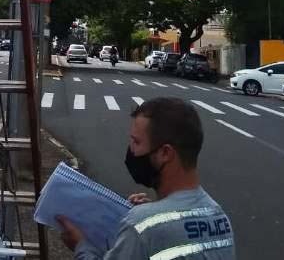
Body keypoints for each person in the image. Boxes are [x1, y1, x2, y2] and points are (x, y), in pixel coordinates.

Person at [58, 98, 235, 259]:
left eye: (136, 142)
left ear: (165, 153)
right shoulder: (219, 217)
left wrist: (81, 246)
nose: (132, 150)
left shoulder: (143, 223)